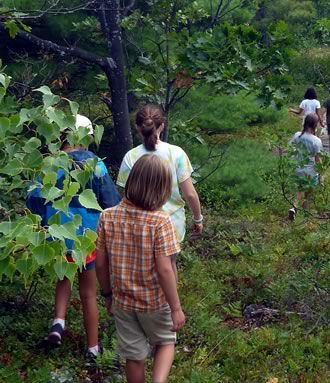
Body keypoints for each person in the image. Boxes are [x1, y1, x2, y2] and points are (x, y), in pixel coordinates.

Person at [27, 114, 121, 360]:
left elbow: (35, 197)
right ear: (87, 137)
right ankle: (92, 348)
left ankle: (58, 322)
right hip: (87, 238)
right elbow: (111, 202)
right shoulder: (97, 165)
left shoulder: (52, 163)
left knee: (63, 277)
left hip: (58, 234)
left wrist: (43, 220)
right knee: (88, 293)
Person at [96, 154, 185, 383]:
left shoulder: (107, 217)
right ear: (162, 190)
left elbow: (101, 262)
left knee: (133, 356)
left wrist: (107, 295)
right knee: (165, 341)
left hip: (123, 301)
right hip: (155, 301)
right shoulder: (160, 221)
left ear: (132, 181)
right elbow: (165, 269)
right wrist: (175, 307)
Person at [117, 104, 203, 249]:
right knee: (169, 268)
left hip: (140, 226)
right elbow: (190, 194)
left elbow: (124, 195)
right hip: (172, 224)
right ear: (162, 126)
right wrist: (197, 219)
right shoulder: (177, 153)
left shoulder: (130, 157)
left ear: (138, 127)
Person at [287, 114, 323, 221]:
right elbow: (318, 160)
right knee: (307, 195)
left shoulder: (297, 135)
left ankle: (294, 208)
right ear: (315, 125)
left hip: (297, 169)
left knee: (298, 191)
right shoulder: (316, 141)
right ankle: (305, 216)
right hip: (310, 172)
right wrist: (321, 175)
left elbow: (290, 148)